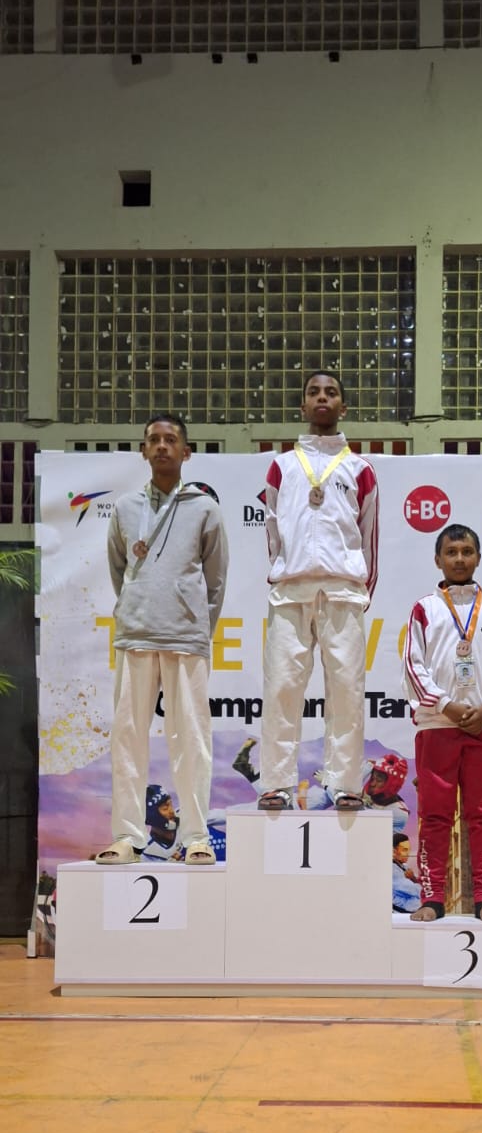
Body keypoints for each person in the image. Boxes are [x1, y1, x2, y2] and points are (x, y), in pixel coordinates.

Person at [95, 413, 228, 865]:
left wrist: (195, 625)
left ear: (186, 452)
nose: (162, 446)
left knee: (191, 739)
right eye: (154, 439)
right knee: (128, 738)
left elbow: (215, 581)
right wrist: (138, 608)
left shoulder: (205, 509)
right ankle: (128, 836)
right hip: (135, 635)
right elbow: (119, 570)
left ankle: (195, 836)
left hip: (186, 639)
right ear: (143, 451)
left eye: (171, 440)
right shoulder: (125, 508)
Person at [257, 370, 379, 812]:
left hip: (344, 592)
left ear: (343, 407)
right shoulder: (283, 466)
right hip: (291, 591)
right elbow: (273, 528)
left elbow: (369, 537)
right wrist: (285, 569)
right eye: (314, 392)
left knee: (346, 690)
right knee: (282, 689)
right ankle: (276, 783)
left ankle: (344, 783)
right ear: (303, 405)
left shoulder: (360, 469)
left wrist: (359, 587)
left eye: (331, 392)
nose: (322, 398)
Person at [403, 523, 482, 923]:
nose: (459, 559)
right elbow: (413, 666)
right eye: (451, 552)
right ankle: (432, 897)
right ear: (438, 559)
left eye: (467, 552)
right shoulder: (425, 609)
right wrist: (446, 706)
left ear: (478, 558)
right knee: (435, 816)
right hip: (437, 725)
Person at [392, 831, 422, 914]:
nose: (408, 853)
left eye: (409, 850)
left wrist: (413, 879)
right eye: (404, 850)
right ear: (394, 851)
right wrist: (414, 880)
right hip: (401, 914)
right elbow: (417, 891)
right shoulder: (392, 870)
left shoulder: (404, 866)